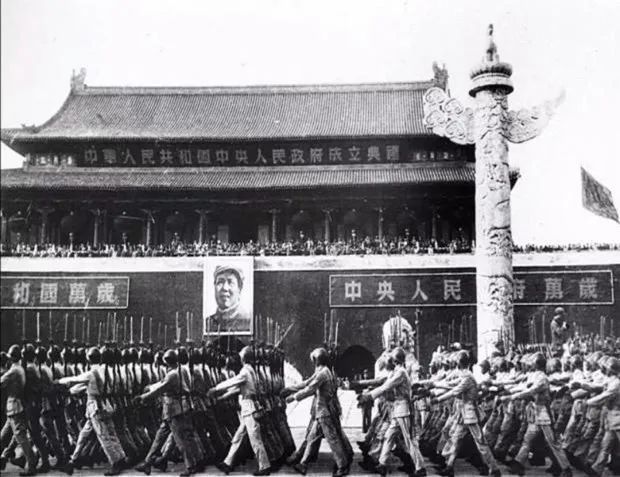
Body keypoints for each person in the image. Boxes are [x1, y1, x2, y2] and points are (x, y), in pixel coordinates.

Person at [209, 345, 271, 476]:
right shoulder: (251, 370)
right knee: (238, 437)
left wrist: (216, 389)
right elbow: (238, 388)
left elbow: (233, 382)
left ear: (244, 358)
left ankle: (264, 466)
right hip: (249, 408)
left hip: (249, 409)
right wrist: (222, 396)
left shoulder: (245, 372)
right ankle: (227, 463)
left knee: (255, 438)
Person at [206, 265, 252, 333]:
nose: (225, 288)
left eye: (231, 283)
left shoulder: (248, 321)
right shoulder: (207, 323)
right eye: (220, 282)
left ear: (239, 289)